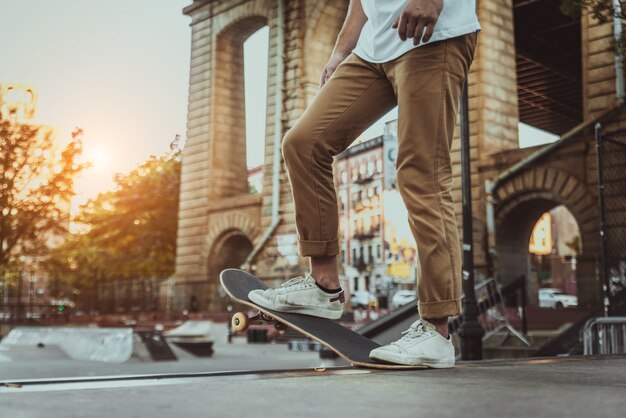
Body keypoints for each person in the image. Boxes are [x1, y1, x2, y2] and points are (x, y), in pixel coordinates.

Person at [249, 0, 480, 368]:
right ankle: (323, 286)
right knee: (303, 144)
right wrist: (342, 48)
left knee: (421, 173)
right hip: (373, 48)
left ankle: (436, 332)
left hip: (432, 36)